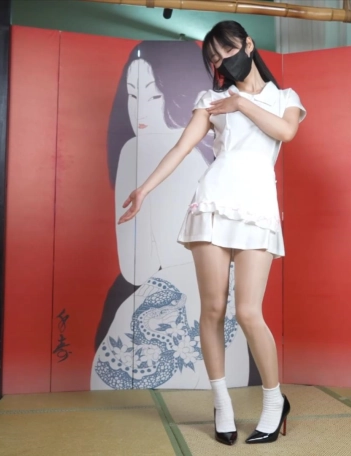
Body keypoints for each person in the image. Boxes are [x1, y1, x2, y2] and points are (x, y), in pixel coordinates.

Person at [118, 20, 306, 445]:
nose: (223, 63)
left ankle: (274, 403)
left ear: (249, 45)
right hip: (211, 207)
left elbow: (286, 132)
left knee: (249, 312)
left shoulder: (286, 99)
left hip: (256, 212)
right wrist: (144, 190)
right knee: (213, 310)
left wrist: (241, 104)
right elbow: (181, 148)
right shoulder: (211, 100)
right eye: (215, 59)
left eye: (227, 52)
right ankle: (221, 403)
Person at [92, 40, 252, 391]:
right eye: (133, 95)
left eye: (153, 95)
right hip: (224, 297)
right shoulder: (214, 151)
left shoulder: (137, 150)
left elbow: (136, 268)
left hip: (166, 302)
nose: (141, 110)